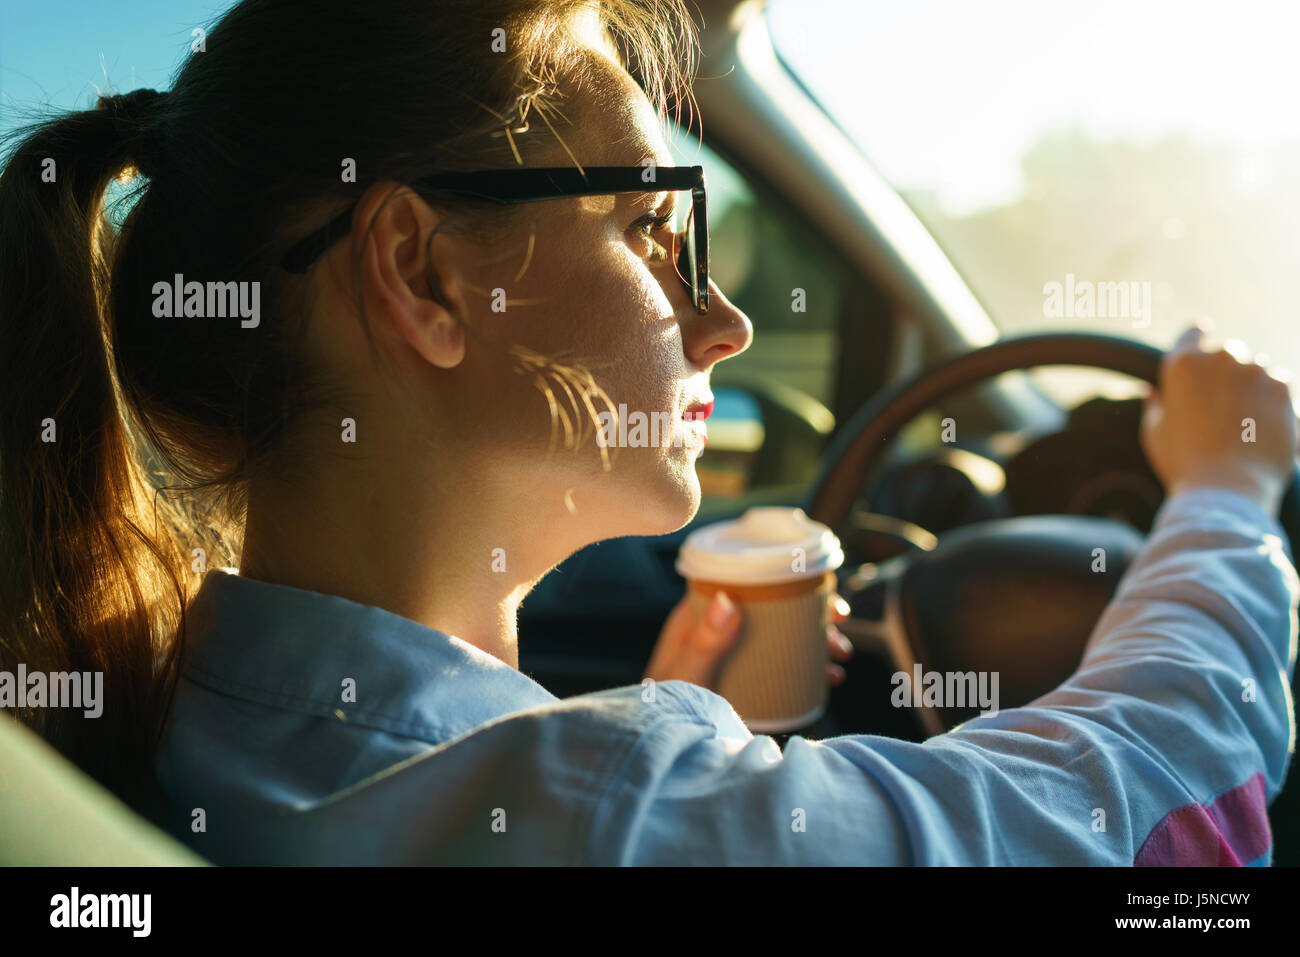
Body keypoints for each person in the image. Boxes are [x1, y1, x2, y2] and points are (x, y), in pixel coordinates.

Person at [0, 0, 1295, 865]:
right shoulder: (610, 802)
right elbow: (1160, 796)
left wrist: (684, 730)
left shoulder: (182, 729)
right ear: (423, 275)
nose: (724, 320)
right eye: (655, 230)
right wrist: (1228, 488)